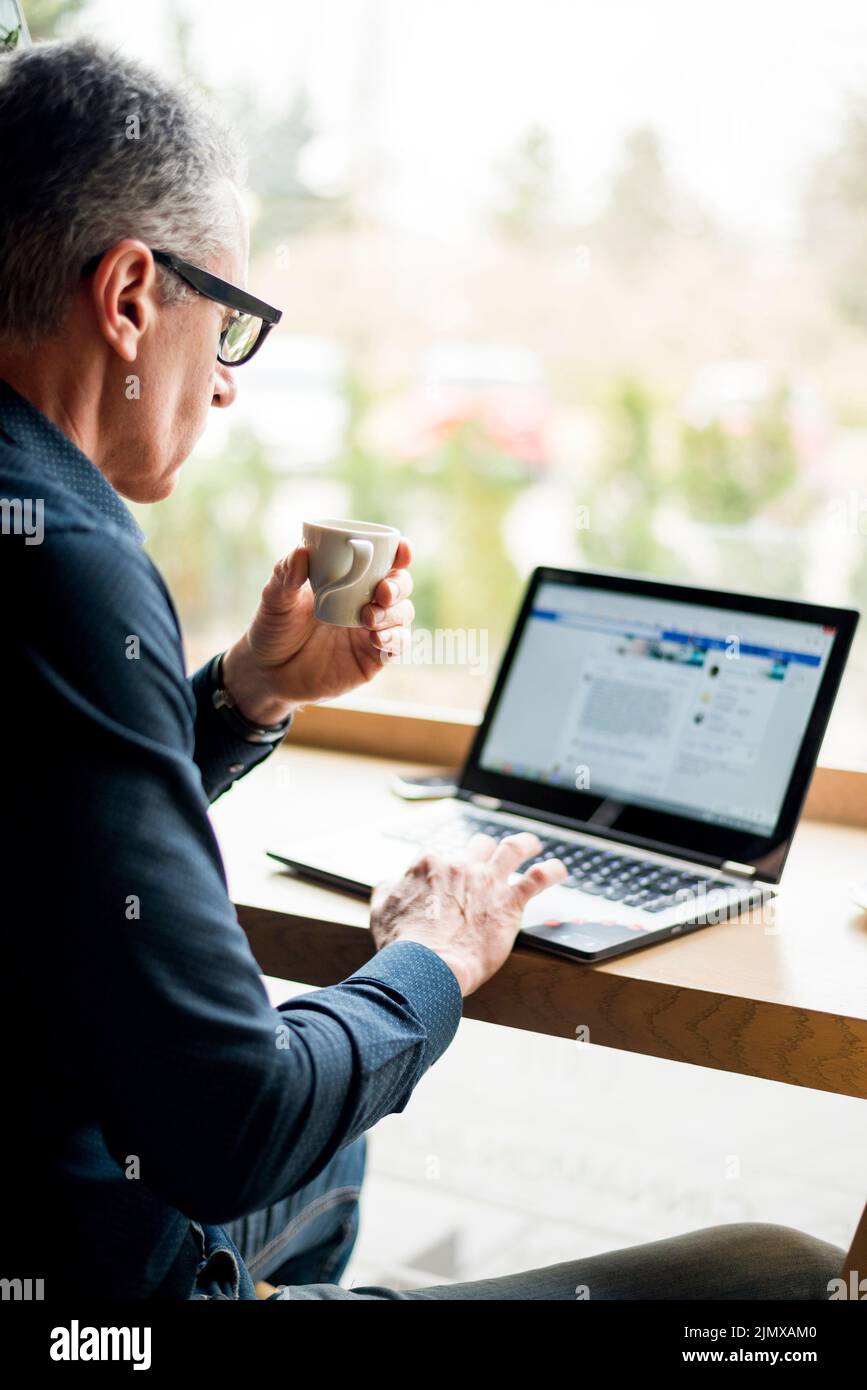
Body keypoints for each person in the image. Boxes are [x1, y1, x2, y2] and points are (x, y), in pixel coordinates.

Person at [0, 37, 843, 1301]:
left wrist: (247, 693)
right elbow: (232, 1125)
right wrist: (433, 956)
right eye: (226, 325)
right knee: (784, 1278)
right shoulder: (66, 554)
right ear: (129, 298)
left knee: (336, 1165)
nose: (225, 387)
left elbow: (45, 809)